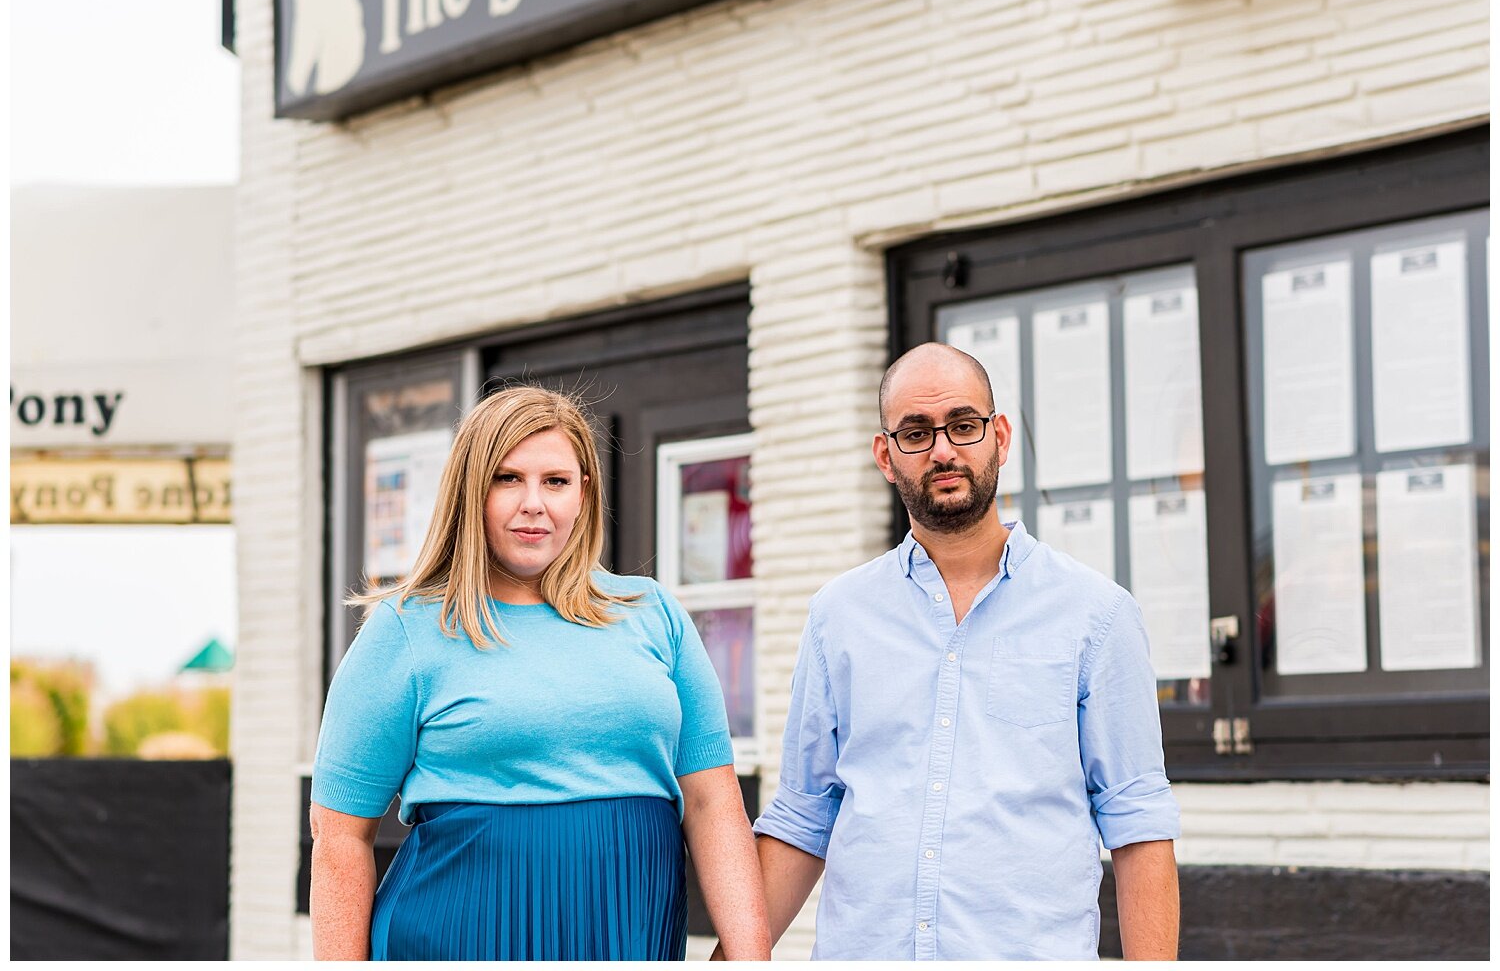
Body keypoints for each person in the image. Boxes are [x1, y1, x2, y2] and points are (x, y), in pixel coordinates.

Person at [740, 343, 1180, 960]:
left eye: (963, 425)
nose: (943, 450)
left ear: (998, 436)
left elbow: (1139, 823)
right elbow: (802, 818)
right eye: (916, 433)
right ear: (885, 456)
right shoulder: (837, 617)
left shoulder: (1096, 615)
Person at [309, 385, 771, 961]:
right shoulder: (405, 629)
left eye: (555, 480)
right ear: (468, 493)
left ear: (584, 492)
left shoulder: (654, 615)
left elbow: (713, 804)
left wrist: (750, 956)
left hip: (630, 937)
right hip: (452, 939)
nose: (534, 502)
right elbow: (339, 837)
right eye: (507, 478)